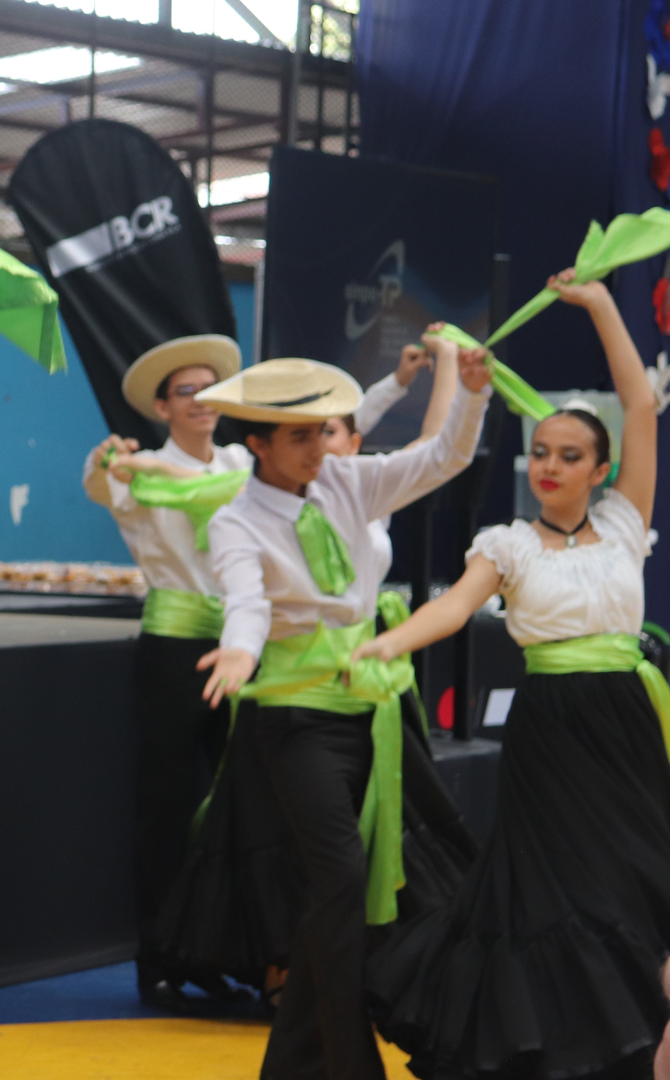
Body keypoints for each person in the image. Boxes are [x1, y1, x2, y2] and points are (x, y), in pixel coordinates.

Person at [362, 271, 670, 1080]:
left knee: (636, 878)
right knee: (556, 887)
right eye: (540, 453)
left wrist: (602, 306)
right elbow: (452, 610)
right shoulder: (507, 544)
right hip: (552, 729)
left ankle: (628, 1041)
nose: (550, 466)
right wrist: (389, 646)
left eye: (570, 456)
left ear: (599, 469)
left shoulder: (623, 521)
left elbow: (639, 405)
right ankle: (556, 1047)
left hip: (626, 724)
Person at [194, 349, 493, 1079]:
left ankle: (295, 1063)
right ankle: (352, 1064)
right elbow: (247, 600)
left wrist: (474, 397)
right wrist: (239, 650)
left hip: (374, 711)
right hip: (295, 720)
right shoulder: (236, 521)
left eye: (324, 431)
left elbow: (441, 458)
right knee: (337, 877)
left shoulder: (348, 479)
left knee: (348, 889)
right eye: (299, 436)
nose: (319, 447)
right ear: (257, 444)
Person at [81, 335, 251, 1009]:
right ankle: (159, 959)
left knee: (235, 801)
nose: (203, 402)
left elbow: (235, 491)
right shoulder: (142, 467)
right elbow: (99, 487)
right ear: (162, 406)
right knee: (167, 806)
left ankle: (217, 950)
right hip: (175, 644)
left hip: (240, 640)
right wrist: (105, 461)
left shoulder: (240, 462)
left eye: (211, 391)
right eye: (188, 392)